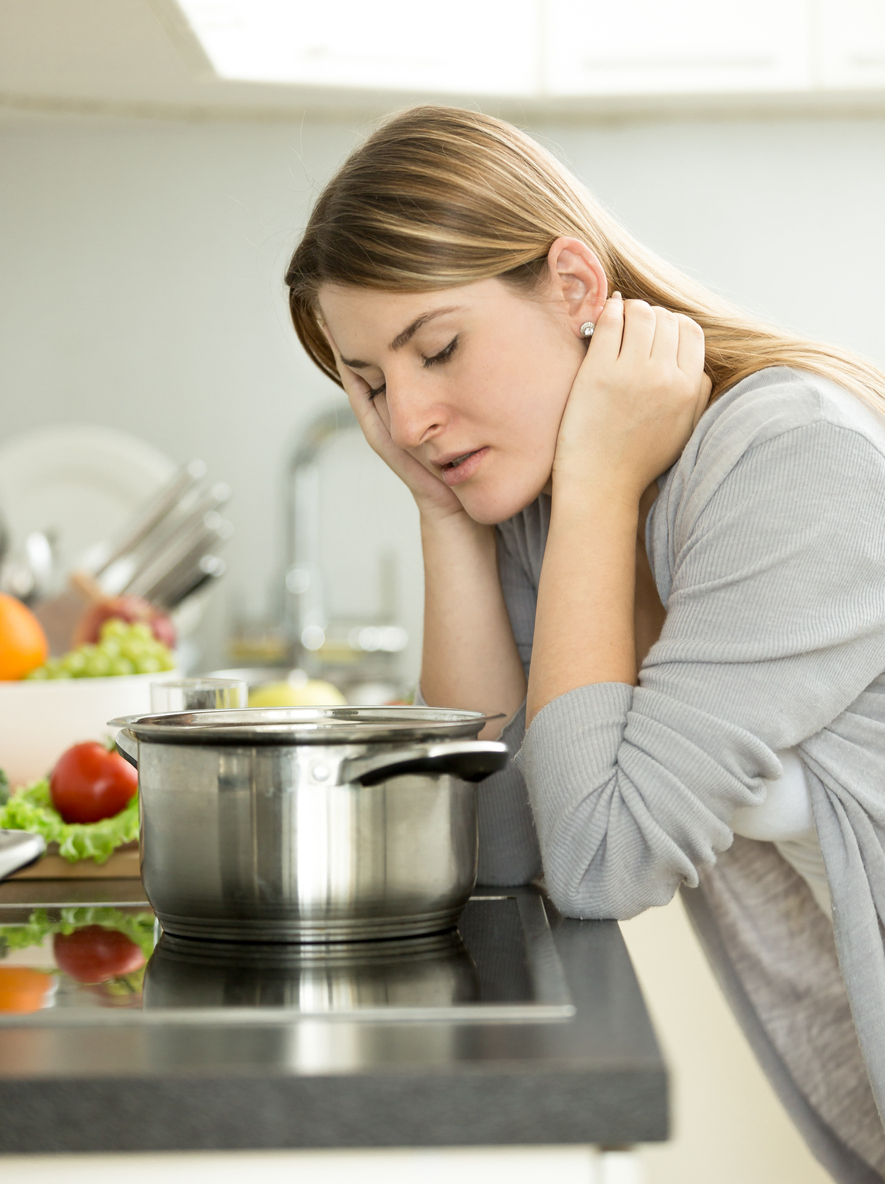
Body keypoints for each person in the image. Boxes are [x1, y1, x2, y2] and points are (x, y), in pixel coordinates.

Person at [285, 105, 885, 1182]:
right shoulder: (542, 502)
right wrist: (445, 519)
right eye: (371, 382)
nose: (411, 414)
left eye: (439, 347)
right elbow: (502, 847)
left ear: (574, 287)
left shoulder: (794, 463)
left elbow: (603, 856)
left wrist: (602, 483)